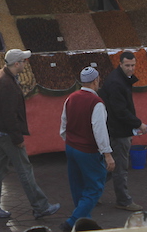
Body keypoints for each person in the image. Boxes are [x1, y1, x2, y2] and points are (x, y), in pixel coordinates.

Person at [0, 49, 60, 220]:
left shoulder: (1, 74)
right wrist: (18, 139)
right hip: (7, 134)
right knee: (24, 169)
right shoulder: (7, 83)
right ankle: (40, 206)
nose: (26, 63)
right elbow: (9, 115)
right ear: (16, 64)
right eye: (24, 61)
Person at [59, 67, 116, 232]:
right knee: (95, 187)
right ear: (95, 81)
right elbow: (100, 131)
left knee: (77, 186)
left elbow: (63, 125)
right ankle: (71, 223)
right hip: (87, 151)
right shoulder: (96, 103)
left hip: (71, 147)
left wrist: (70, 141)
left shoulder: (70, 98)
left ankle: (83, 223)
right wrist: (107, 154)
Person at [99, 51, 147, 211]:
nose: (130, 69)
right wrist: (138, 123)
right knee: (120, 168)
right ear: (120, 64)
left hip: (117, 129)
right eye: (127, 65)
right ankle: (123, 201)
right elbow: (120, 110)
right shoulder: (116, 83)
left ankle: (90, 191)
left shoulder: (121, 79)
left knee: (110, 168)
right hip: (118, 131)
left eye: (133, 65)